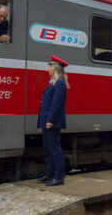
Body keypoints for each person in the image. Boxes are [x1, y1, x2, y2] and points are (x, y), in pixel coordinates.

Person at [37, 55, 70, 186]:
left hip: (51, 122)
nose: (48, 69)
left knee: (54, 149)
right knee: (48, 148)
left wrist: (50, 120)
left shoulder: (60, 83)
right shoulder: (54, 83)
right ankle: (50, 174)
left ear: (56, 69)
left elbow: (57, 104)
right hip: (47, 120)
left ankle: (59, 177)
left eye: (50, 66)